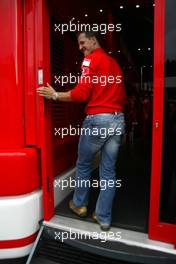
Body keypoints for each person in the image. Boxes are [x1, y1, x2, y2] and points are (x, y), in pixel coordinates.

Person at [37, 31, 127, 231]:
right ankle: (103, 218)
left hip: (97, 119)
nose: (80, 48)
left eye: (82, 43)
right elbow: (122, 96)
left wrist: (55, 95)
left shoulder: (90, 61)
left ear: (94, 40)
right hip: (117, 119)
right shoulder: (114, 65)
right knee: (109, 172)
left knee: (84, 165)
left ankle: (79, 205)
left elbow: (81, 93)